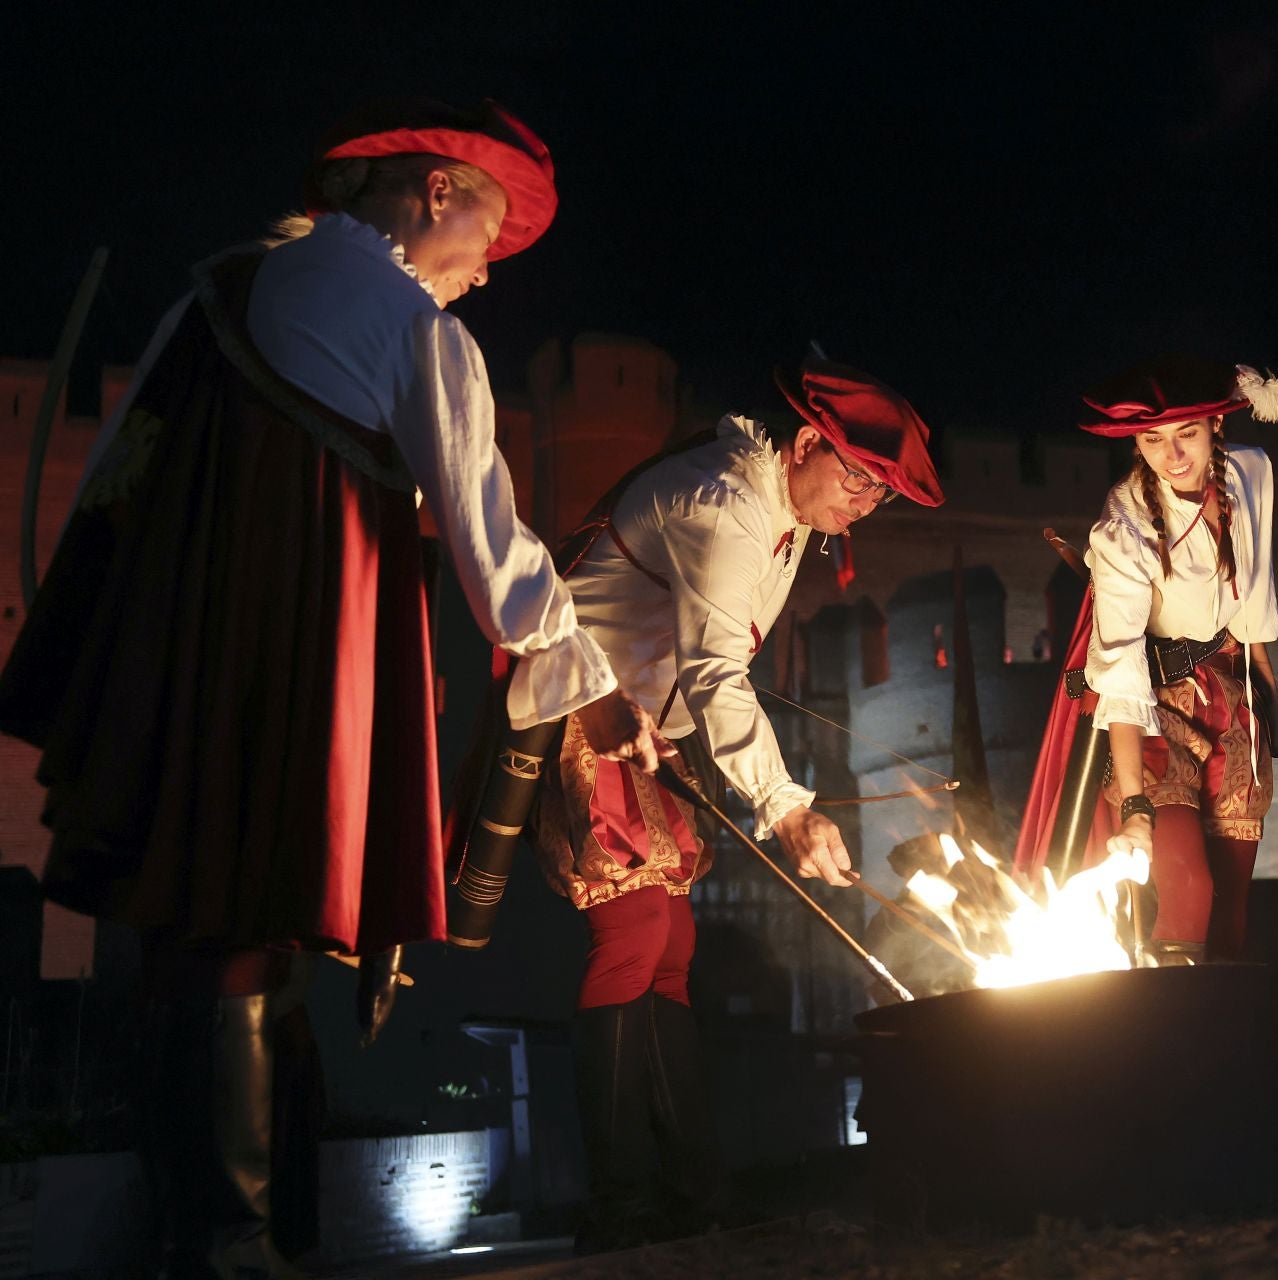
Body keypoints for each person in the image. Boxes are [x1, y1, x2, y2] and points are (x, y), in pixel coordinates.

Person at [0, 99, 659, 1276]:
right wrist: (592, 684)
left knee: (183, 933)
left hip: (179, 655)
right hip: (292, 653)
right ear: (438, 191)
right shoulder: (417, 330)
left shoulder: (223, 288)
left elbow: (112, 476)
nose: (489, 277)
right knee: (248, 937)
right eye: (489, 238)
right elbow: (492, 545)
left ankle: (195, 1237)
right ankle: (233, 1250)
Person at [521, 353, 944, 1250]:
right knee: (633, 934)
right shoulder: (726, 506)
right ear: (802, 445)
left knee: (671, 941)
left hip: (645, 732)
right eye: (858, 478)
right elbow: (715, 669)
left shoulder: (783, 518)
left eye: (880, 495)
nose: (864, 503)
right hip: (581, 711)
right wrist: (785, 805)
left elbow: (712, 668)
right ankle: (620, 1201)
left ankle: (691, 1189)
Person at [1060, 356, 1278, 963]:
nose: (1173, 456)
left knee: (1230, 904)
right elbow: (1120, 673)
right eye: (1152, 439)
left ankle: (1225, 1039)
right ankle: (1171, 1032)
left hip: (1230, 696)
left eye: (1187, 435)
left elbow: (1253, 605)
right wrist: (1136, 809)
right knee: (1188, 888)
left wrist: (1271, 704)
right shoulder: (1125, 526)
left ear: (1215, 429)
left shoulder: (1250, 473)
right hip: (1154, 706)